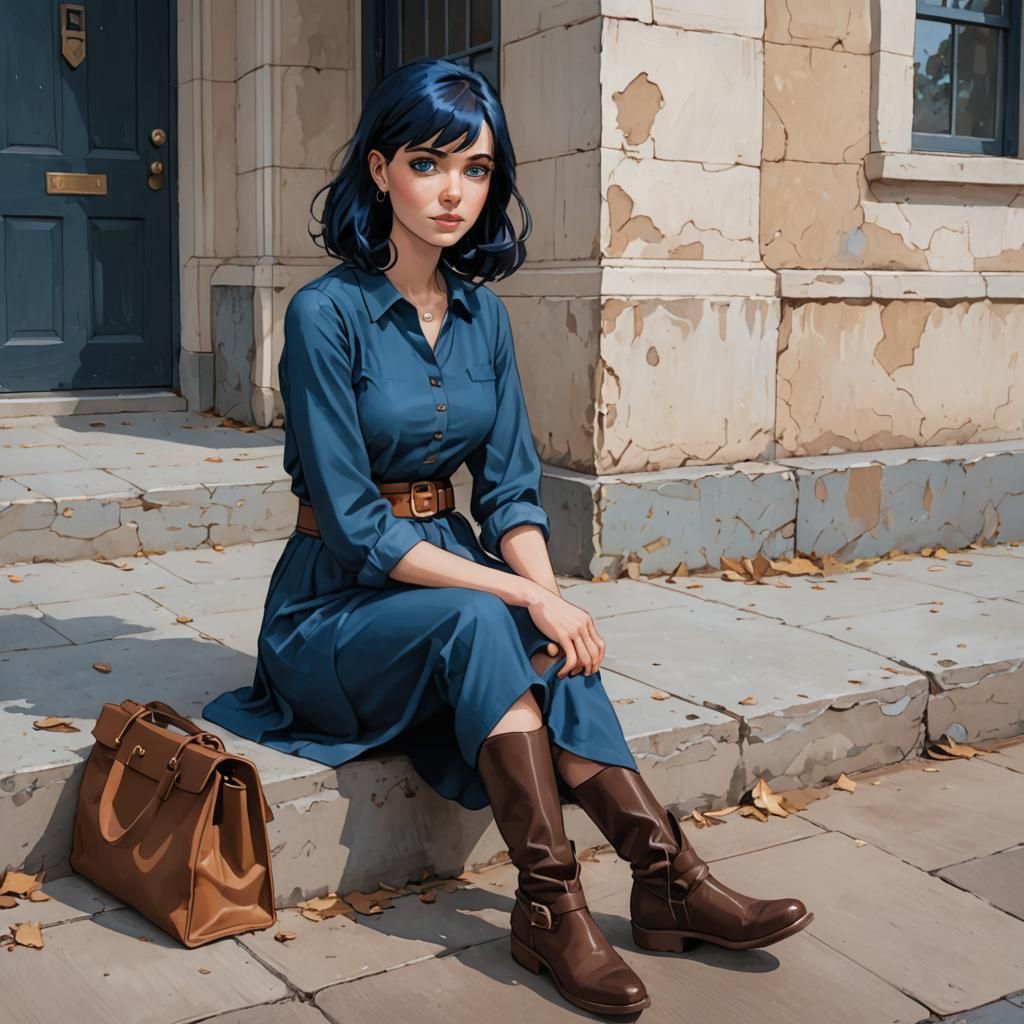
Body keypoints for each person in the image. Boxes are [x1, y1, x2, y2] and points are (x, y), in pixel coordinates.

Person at [202, 57, 812, 1016]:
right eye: (428, 163)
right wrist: (523, 594)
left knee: (534, 629)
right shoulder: (325, 315)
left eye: (476, 169)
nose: (453, 191)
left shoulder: (484, 316)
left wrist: (550, 602)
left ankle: (664, 875)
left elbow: (513, 493)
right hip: (332, 609)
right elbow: (358, 531)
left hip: (443, 582)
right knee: (493, 617)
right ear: (379, 170)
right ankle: (554, 903)